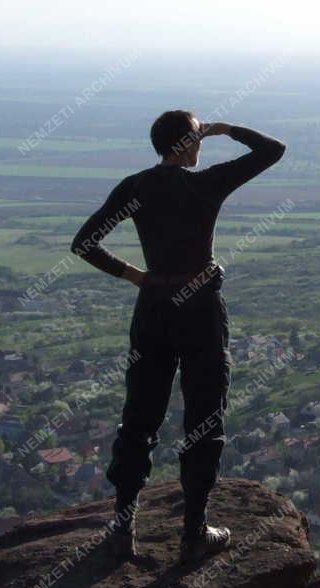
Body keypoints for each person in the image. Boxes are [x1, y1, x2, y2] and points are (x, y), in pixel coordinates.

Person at [70, 110, 286, 561]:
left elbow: (85, 242)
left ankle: (123, 526)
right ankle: (193, 532)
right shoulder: (206, 184)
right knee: (204, 417)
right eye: (199, 133)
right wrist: (227, 129)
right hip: (200, 308)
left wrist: (138, 277)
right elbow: (272, 151)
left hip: (153, 309)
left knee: (140, 417)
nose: (204, 141)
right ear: (189, 141)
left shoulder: (136, 187)